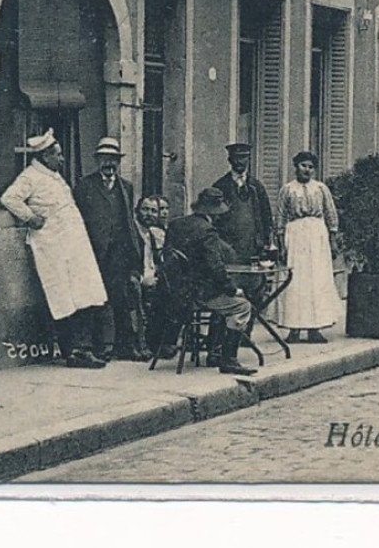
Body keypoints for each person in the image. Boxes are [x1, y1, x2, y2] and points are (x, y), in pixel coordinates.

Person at [0, 131, 109, 369]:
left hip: (74, 245)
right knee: (64, 298)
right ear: (46, 156)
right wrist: (30, 218)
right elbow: (9, 198)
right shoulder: (30, 177)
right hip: (54, 247)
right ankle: (74, 352)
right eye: (58, 155)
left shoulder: (55, 177)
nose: (62, 159)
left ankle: (84, 348)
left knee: (86, 294)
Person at [163, 188, 258, 376]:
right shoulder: (207, 231)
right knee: (242, 306)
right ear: (212, 212)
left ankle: (216, 350)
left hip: (176, 292)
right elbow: (215, 268)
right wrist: (232, 289)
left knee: (225, 303)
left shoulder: (176, 225)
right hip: (199, 295)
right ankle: (228, 359)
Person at [73, 137, 144, 361]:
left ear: (118, 162)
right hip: (93, 253)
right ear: (97, 161)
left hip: (119, 255)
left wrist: (133, 257)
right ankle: (92, 347)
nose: (109, 164)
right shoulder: (84, 186)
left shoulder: (126, 187)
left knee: (121, 300)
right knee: (93, 301)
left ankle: (125, 346)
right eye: (104, 159)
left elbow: (128, 222)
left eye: (112, 159)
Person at [273, 151, 340, 344]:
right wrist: (281, 244)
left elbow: (331, 214)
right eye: (303, 166)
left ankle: (315, 328)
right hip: (294, 234)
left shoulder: (320, 188)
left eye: (311, 167)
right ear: (296, 167)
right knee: (295, 280)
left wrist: (333, 239)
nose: (307, 170)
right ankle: (293, 328)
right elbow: (280, 216)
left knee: (316, 280)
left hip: (317, 235)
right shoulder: (287, 189)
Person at [210, 142, 276, 263]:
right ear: (230, 160)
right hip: (229, 245)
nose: (239, 162)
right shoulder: (220, 186)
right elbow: (213, 218)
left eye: (243, 157)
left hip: (254, 246)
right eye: (236, 158)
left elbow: (266, 216)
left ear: (248, 159)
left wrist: (266, 242)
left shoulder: (257, 186)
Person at [134, 194, 171, 357]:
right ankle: (145, 344)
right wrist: (142, 278)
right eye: (145, 210)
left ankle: (161, 343)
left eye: (153, 211)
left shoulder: (154, 234)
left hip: (152, 277)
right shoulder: (132, 232)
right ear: (137, 211)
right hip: (135, 277)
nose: (149, 214)